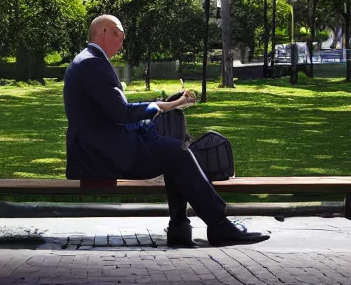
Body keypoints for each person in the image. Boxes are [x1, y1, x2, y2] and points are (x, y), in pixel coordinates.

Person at [64, 14, 270, 246]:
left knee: (173, 149)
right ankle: (218, 225)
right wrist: (158, 106)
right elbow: (121, 112)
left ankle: (180, 226)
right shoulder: (92, 63)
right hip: (104, 154)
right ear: (102, 32)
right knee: (179, 153)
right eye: (118, 35)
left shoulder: (86, 60)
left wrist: (158, 111)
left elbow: (110, 113)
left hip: (102, 148)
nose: (122, 41)